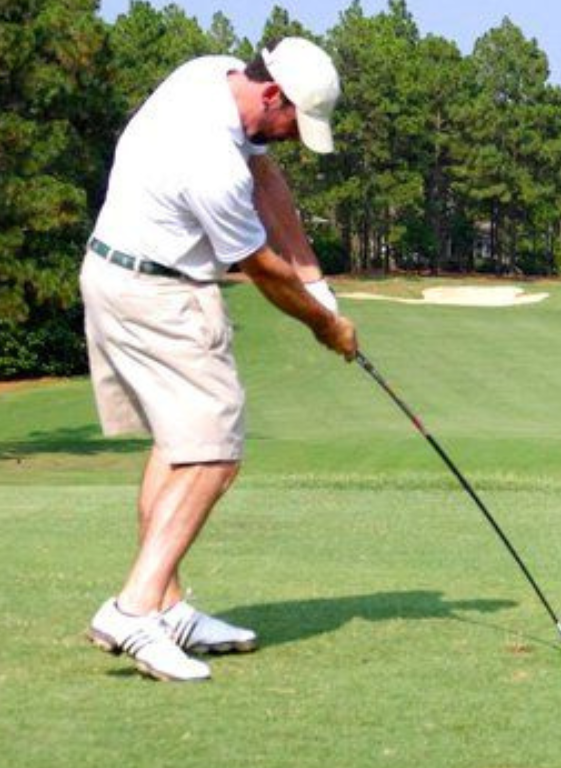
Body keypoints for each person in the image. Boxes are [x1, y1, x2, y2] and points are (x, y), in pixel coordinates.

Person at [78, 37, 358, 682]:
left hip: (114, 273)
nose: (291, 136)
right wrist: (326, 325)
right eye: (293, 122)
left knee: (179, 445)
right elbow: (259, 266)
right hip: (162, 293)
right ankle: (134, 608)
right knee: (214, 453)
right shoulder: (210, 163)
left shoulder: (208, 75)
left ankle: (169, 608)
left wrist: (314, 272)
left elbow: (269, 176)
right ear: (272, 94)